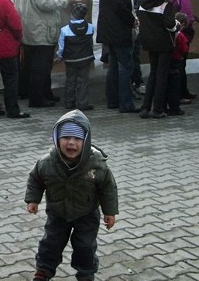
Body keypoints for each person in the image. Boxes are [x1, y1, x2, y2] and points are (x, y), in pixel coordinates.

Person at [25, 110, 118, 281]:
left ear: (86, 141)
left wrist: (110, 212)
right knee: (50, 244)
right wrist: (33, 199)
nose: (71, 143)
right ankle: (43, 271)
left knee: (85, 247)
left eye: (77, 139)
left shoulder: (96, 163)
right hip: (57, 213)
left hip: (87, 214)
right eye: (66, 138)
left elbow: (108, 188)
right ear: (56, 138)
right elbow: (35, 179)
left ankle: (86, 274)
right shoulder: (47, 162)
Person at [14, 0, 80, 108]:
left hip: (27, 30)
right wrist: (66, 1)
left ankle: (41, 93)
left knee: (30, 66)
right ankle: (38, 98)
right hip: (41, 30)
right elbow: (46, 3)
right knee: (41, 67)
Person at [96, 0, 140, 113]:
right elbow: (121, 8)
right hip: (119, 33)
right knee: (125, 67)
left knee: (114, 67)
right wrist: (132, 20)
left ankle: (113, 100)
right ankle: (125, 103)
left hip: (111, 33)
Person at [137, 0, 178, 119]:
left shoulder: (142, 0)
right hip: (164, 42)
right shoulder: (165, 3)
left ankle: (145, 107)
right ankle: (158, 108)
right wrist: (177, 26)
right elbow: (170, 25)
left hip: (149, 41)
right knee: (162, 75)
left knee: (153, 73)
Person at [165, 0, 196, 102]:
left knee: (173, 65)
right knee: (180, 65)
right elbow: (188, 19)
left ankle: (181, 92)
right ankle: (180, 94)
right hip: (183, 36)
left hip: (169, 35)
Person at [56, 3, 95, 111]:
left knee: (70, 80)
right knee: (83, 81)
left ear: (72, 15)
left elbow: (61, 46)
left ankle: (69, 102)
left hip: (71, 59)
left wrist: (60, 56)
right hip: (86, 58)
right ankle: (83, 103)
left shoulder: (65, 29)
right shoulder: (90, 27)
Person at [166, 12, 190, 116]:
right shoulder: (180, 35)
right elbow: (184, 49)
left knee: (167, 83)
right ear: (183, 24)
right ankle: (175, 108)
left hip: (168, 60)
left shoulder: (167, 33)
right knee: (175, 85)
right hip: (177, 60)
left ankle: (164, 105)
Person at [127, 0, 146, 96]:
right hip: (134, 29)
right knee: (134, 57)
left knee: (134, 57)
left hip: (135, 28)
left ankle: (135, 83)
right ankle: (136, 83)